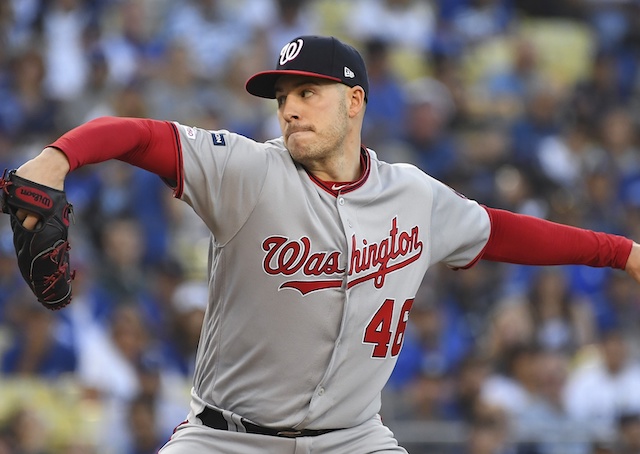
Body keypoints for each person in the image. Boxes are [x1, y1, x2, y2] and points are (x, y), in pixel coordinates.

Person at [7, 35, 640, 454]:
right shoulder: (248, 172)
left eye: (308, 93)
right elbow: (141, 136)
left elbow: (501, 231)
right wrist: (60, 156)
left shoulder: (415, 195)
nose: (290, 110)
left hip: (354, 439)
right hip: (228, 440)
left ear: (355, 101)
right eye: (283, 98)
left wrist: (621, 251)